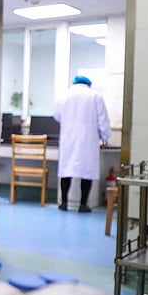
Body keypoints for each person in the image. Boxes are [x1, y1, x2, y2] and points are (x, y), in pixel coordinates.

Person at [53, 75, 111, 212]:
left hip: (69, 138)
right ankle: (83, 204)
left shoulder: (64, 95)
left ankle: (64, 203)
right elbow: (102, 119)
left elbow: (56, 116)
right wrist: (105, 136)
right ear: (88, 84)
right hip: (88, 139)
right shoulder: (95, 95)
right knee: (87, 172)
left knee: (66, 170)